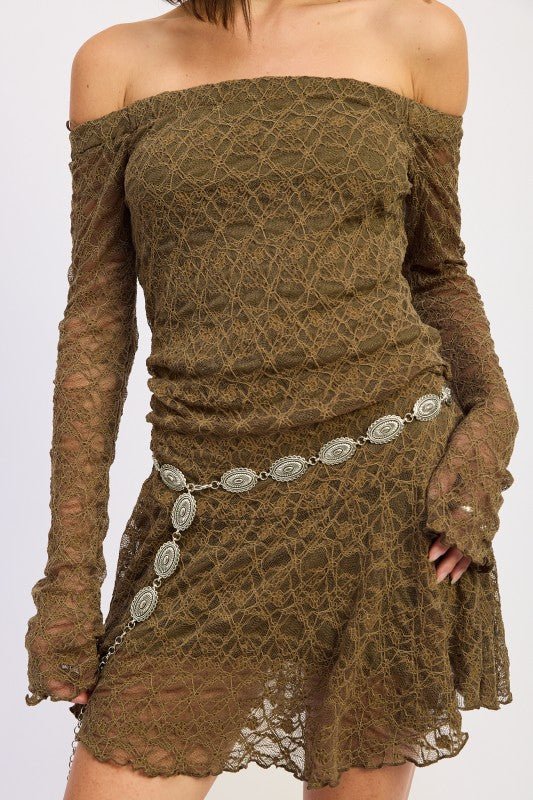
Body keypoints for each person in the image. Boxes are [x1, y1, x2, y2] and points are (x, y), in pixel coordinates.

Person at [24, 1, 519, 799]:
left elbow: (436, 270)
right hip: (206, 510)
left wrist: (492, 418)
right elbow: (96, 323)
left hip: (386, 497)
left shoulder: (416, 34)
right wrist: (68, 583)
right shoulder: (115, 63)